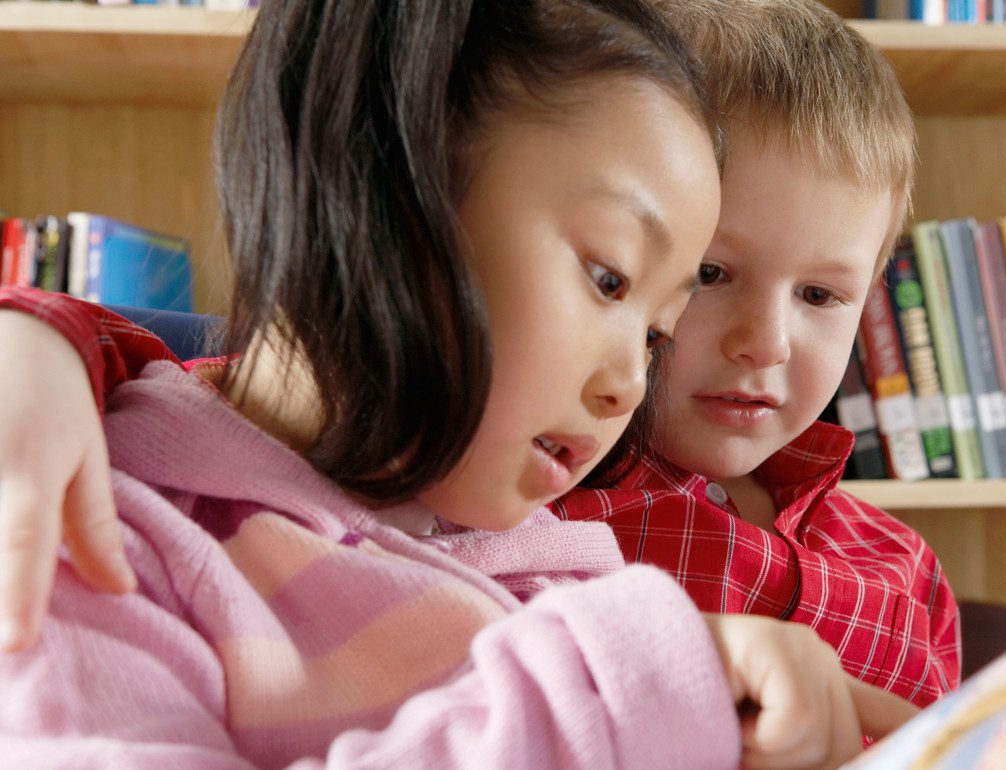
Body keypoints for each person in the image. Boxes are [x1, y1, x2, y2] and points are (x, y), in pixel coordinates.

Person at [0, 0, 915, 766]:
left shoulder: (547, 569)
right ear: (387, 177)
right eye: (607, 278)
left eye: (655, 333)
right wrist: (622, 693)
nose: (629, 385)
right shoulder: (87, 538)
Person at [555, 0, 960, 707]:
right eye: (712, 275)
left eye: (820, 296)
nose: (766, 343)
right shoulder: (545, 528)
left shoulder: (906, 572)